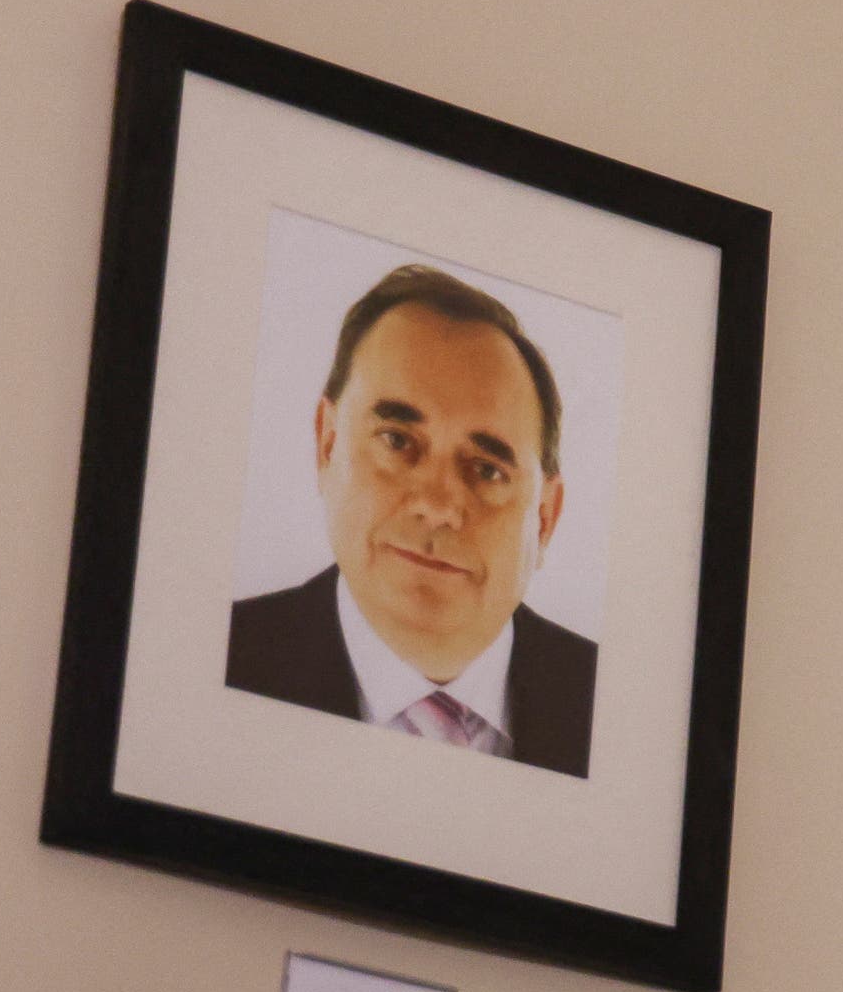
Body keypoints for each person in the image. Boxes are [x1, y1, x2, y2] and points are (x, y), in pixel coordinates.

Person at [226, 264, 598, 777]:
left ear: (545, 517)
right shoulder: (216, 660)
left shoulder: (617, 720)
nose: (439, 505)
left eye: (487, 470)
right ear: (327, 444)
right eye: (398, 441)